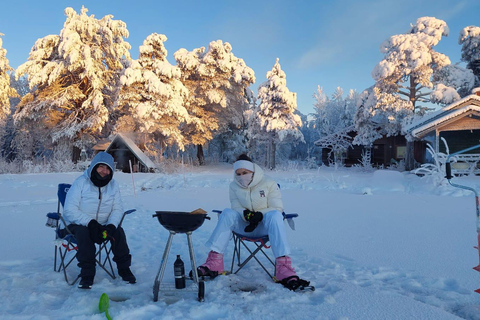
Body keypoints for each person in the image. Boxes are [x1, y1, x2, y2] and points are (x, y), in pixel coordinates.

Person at [196, 154, 310, 290]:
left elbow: (277, 208)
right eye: (238, 174)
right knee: (227, 213)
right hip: (244, 226)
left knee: (275, 215)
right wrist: (245, 214)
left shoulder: (269, 183)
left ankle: (284, 268)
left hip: (264, 227)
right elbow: (236, 206)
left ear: (253, 171)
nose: (241, 176)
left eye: (245, 172)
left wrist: (260, 215)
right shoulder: (233, 186)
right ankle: (214, 262)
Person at [64, 152, 136, 289]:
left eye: (108, 168)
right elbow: (69, 210)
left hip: (103, 226)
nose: (104, 171)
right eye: (101, 167)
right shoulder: (81, 182)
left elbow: (117, 209)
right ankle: (87, 274)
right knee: (83, 233)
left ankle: (124, 269)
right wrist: (90, 223)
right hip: (78, 223)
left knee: (118, 232)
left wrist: (111, 226)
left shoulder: (113, 186)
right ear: (93, 167)